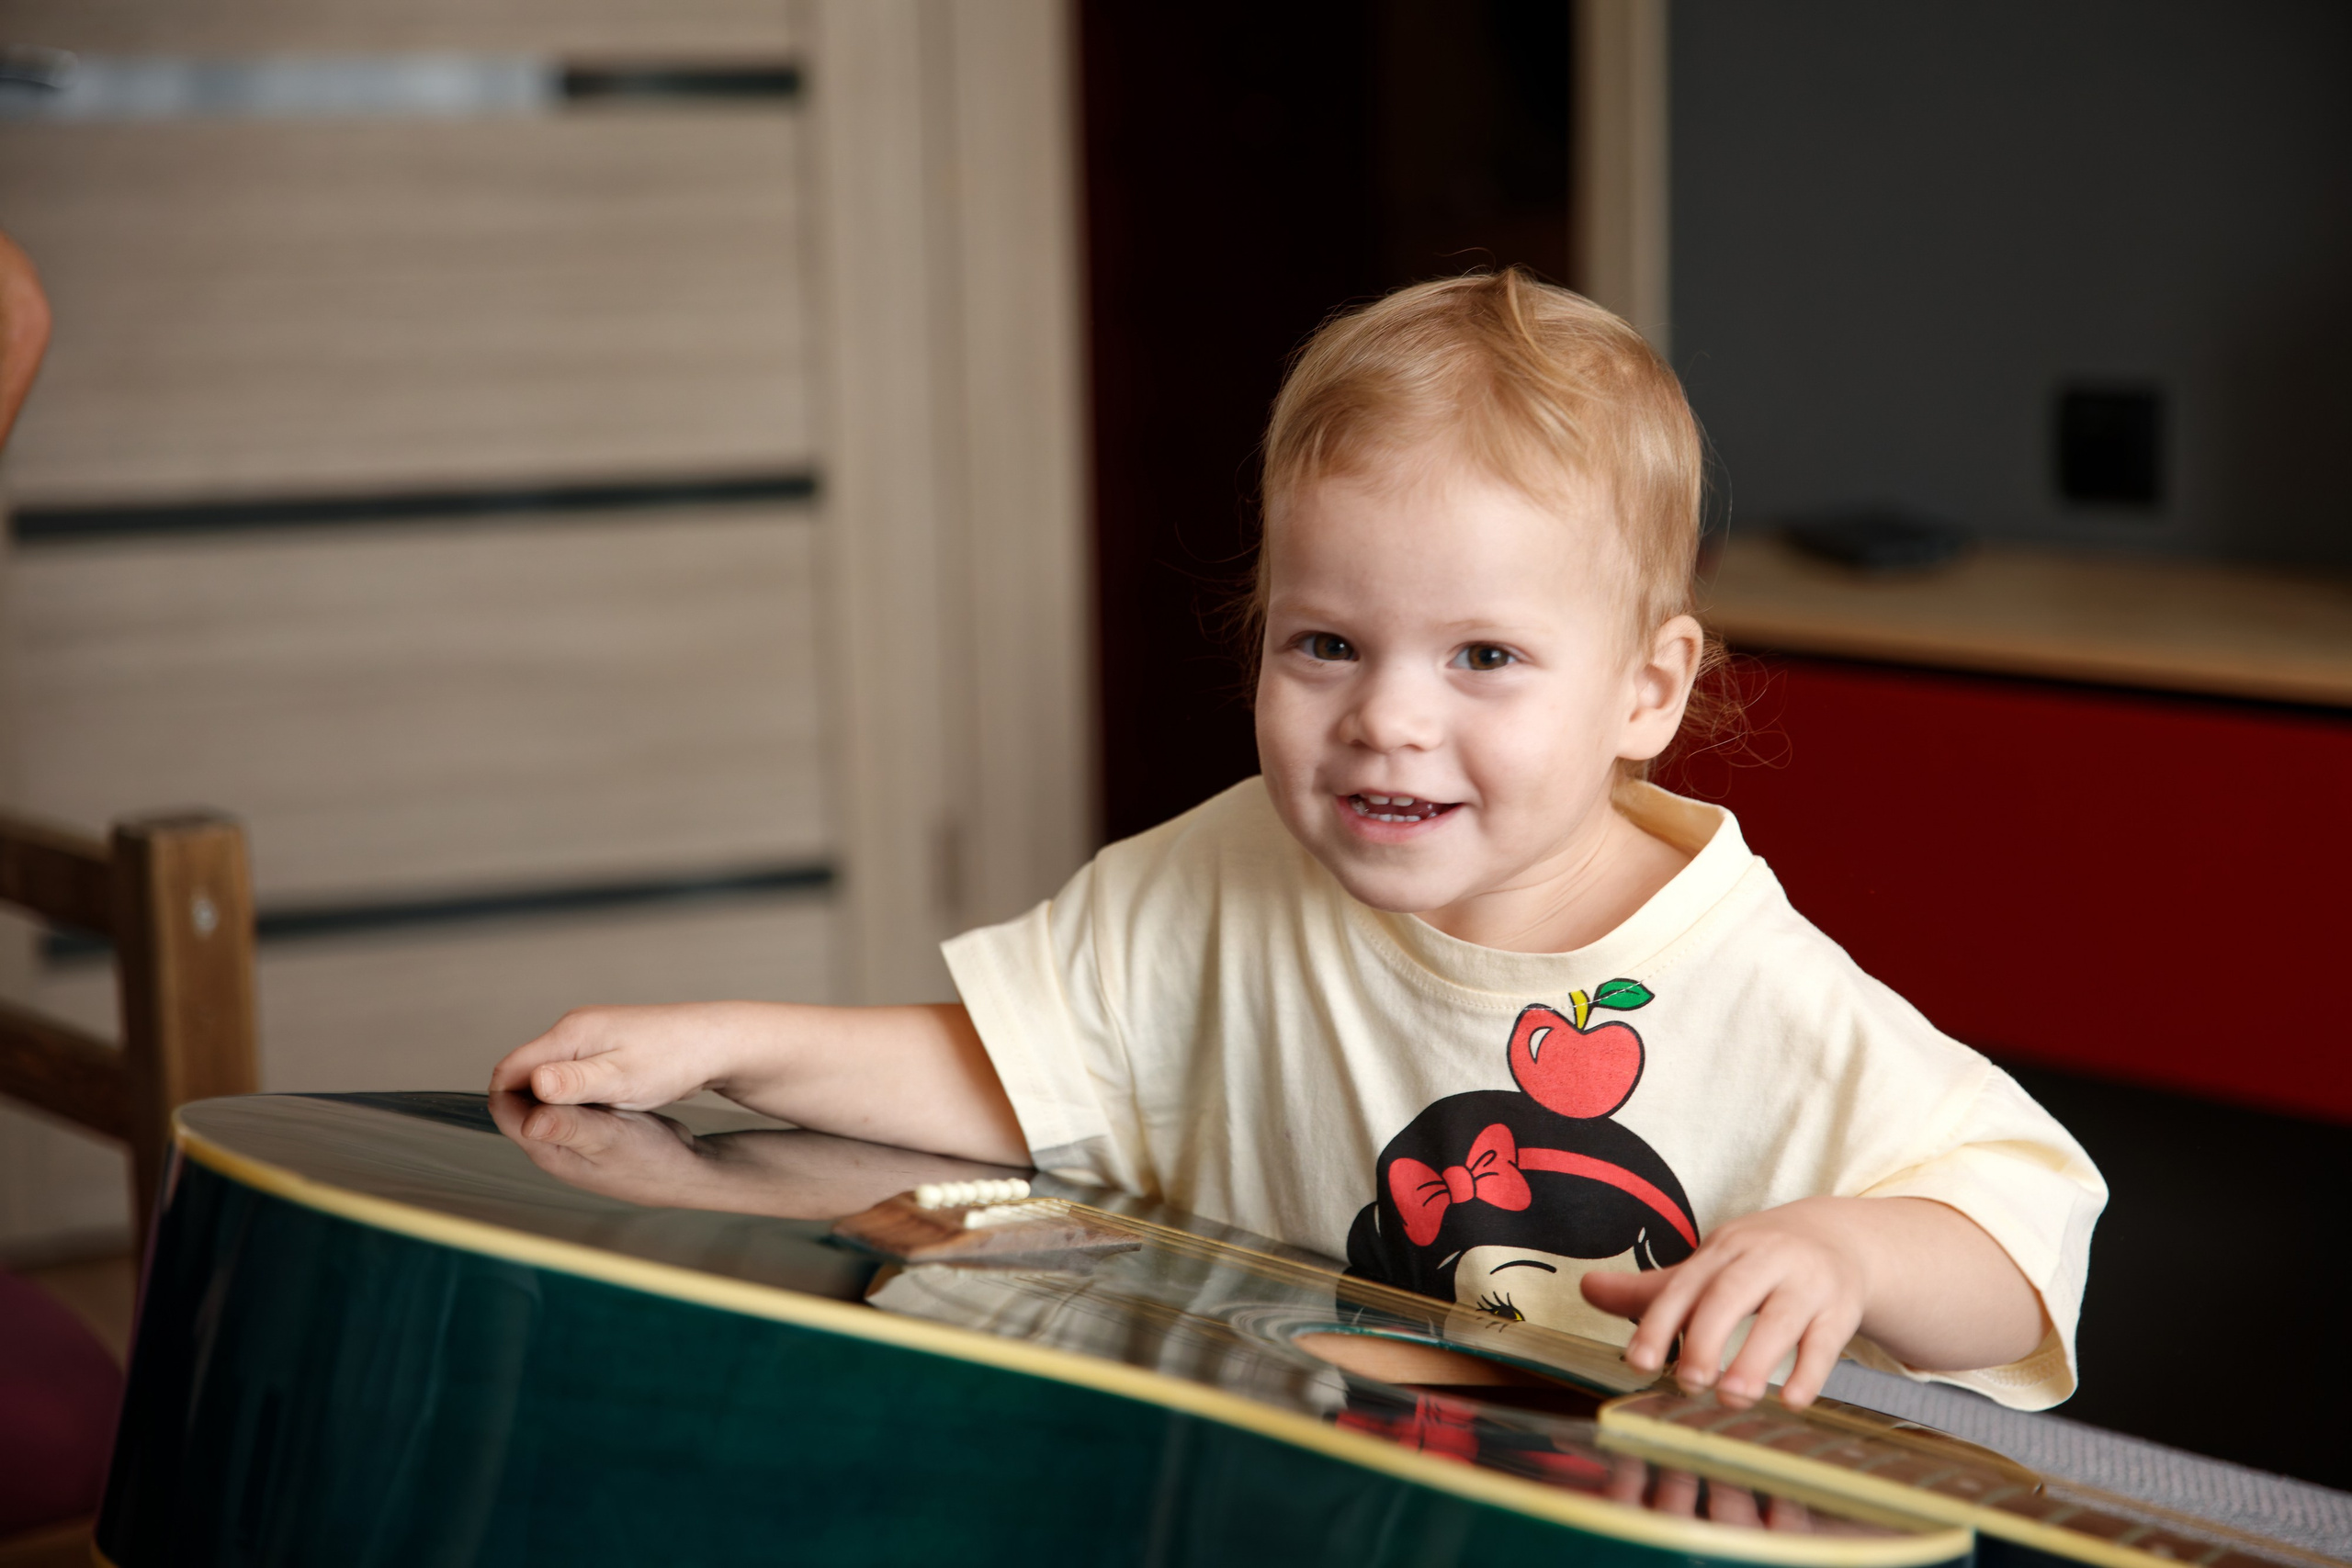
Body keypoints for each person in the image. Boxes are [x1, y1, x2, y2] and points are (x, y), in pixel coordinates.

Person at [492, 270, 2103, 1415]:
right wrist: (721, 1042)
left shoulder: (1753, 981)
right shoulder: (1216, 876)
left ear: (1644, 691)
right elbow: (1018, 1078)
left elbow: (2024, 1234)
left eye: (1482, 657)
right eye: (1326, 645)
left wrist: (1847, 1252)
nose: (1385, 719)